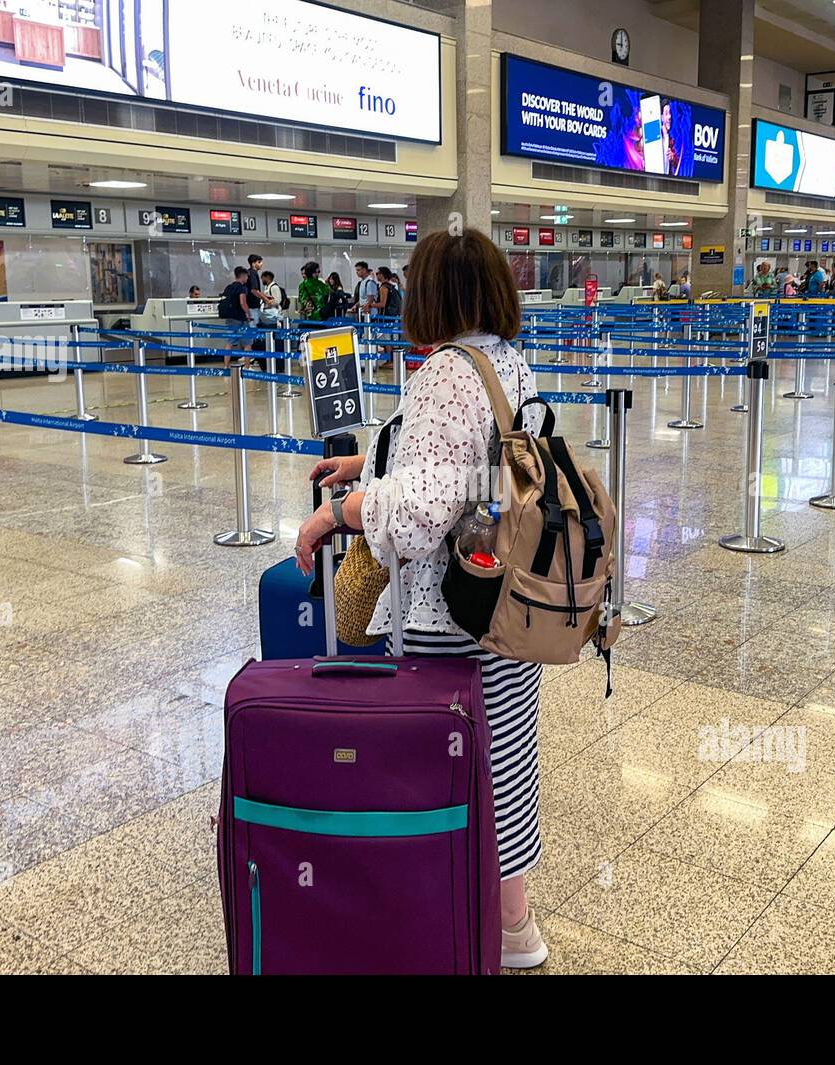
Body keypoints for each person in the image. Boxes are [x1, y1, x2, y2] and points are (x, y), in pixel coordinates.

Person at [292, 228, 550, 969]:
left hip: (448, 615)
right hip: (506, 599)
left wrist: (336, 513)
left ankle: (447, 921)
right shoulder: (505, 361)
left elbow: (420, 512)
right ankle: (513, 923)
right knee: (502, 759)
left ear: (434, 292)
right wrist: (367, 459)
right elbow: (461, 460)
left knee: (442, 768)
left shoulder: (444, 371)